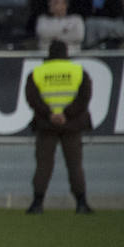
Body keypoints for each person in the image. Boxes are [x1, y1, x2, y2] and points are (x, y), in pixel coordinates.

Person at [24, 41, 92, 214]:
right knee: (75, 165)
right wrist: (66, 114)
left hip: (46, 125)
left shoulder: (38, 72)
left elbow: (32, 98)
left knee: (43, 165)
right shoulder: (78, 71)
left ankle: (37, 204)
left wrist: (50, 114)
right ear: (66, 52)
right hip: (72, 125)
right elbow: (84, 97)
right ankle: (81, 203)